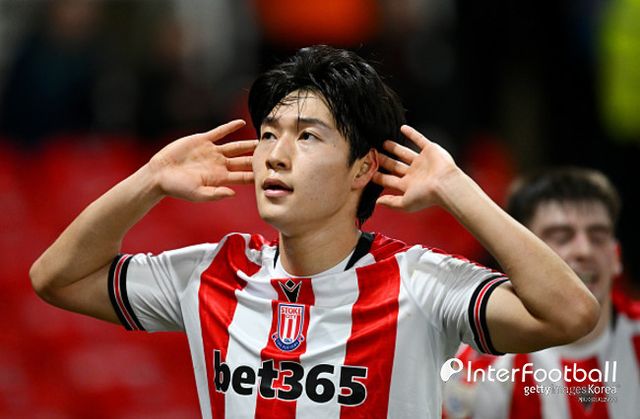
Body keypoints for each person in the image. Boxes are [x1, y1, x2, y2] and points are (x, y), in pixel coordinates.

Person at [30, 45, 598, 418]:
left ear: (363, 168)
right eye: (269, 133)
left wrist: (459, 190)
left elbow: (570, 313)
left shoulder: (420, 283)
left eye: (306, 136)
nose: (275, 155)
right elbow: (56, 278)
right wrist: (149, 179)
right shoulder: (210, 274)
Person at [443, 167, 640, 419]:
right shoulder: (474, 372)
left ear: (616, 256)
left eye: (598, 236)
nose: (584, 251)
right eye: (562, 237)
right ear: (518, 257)